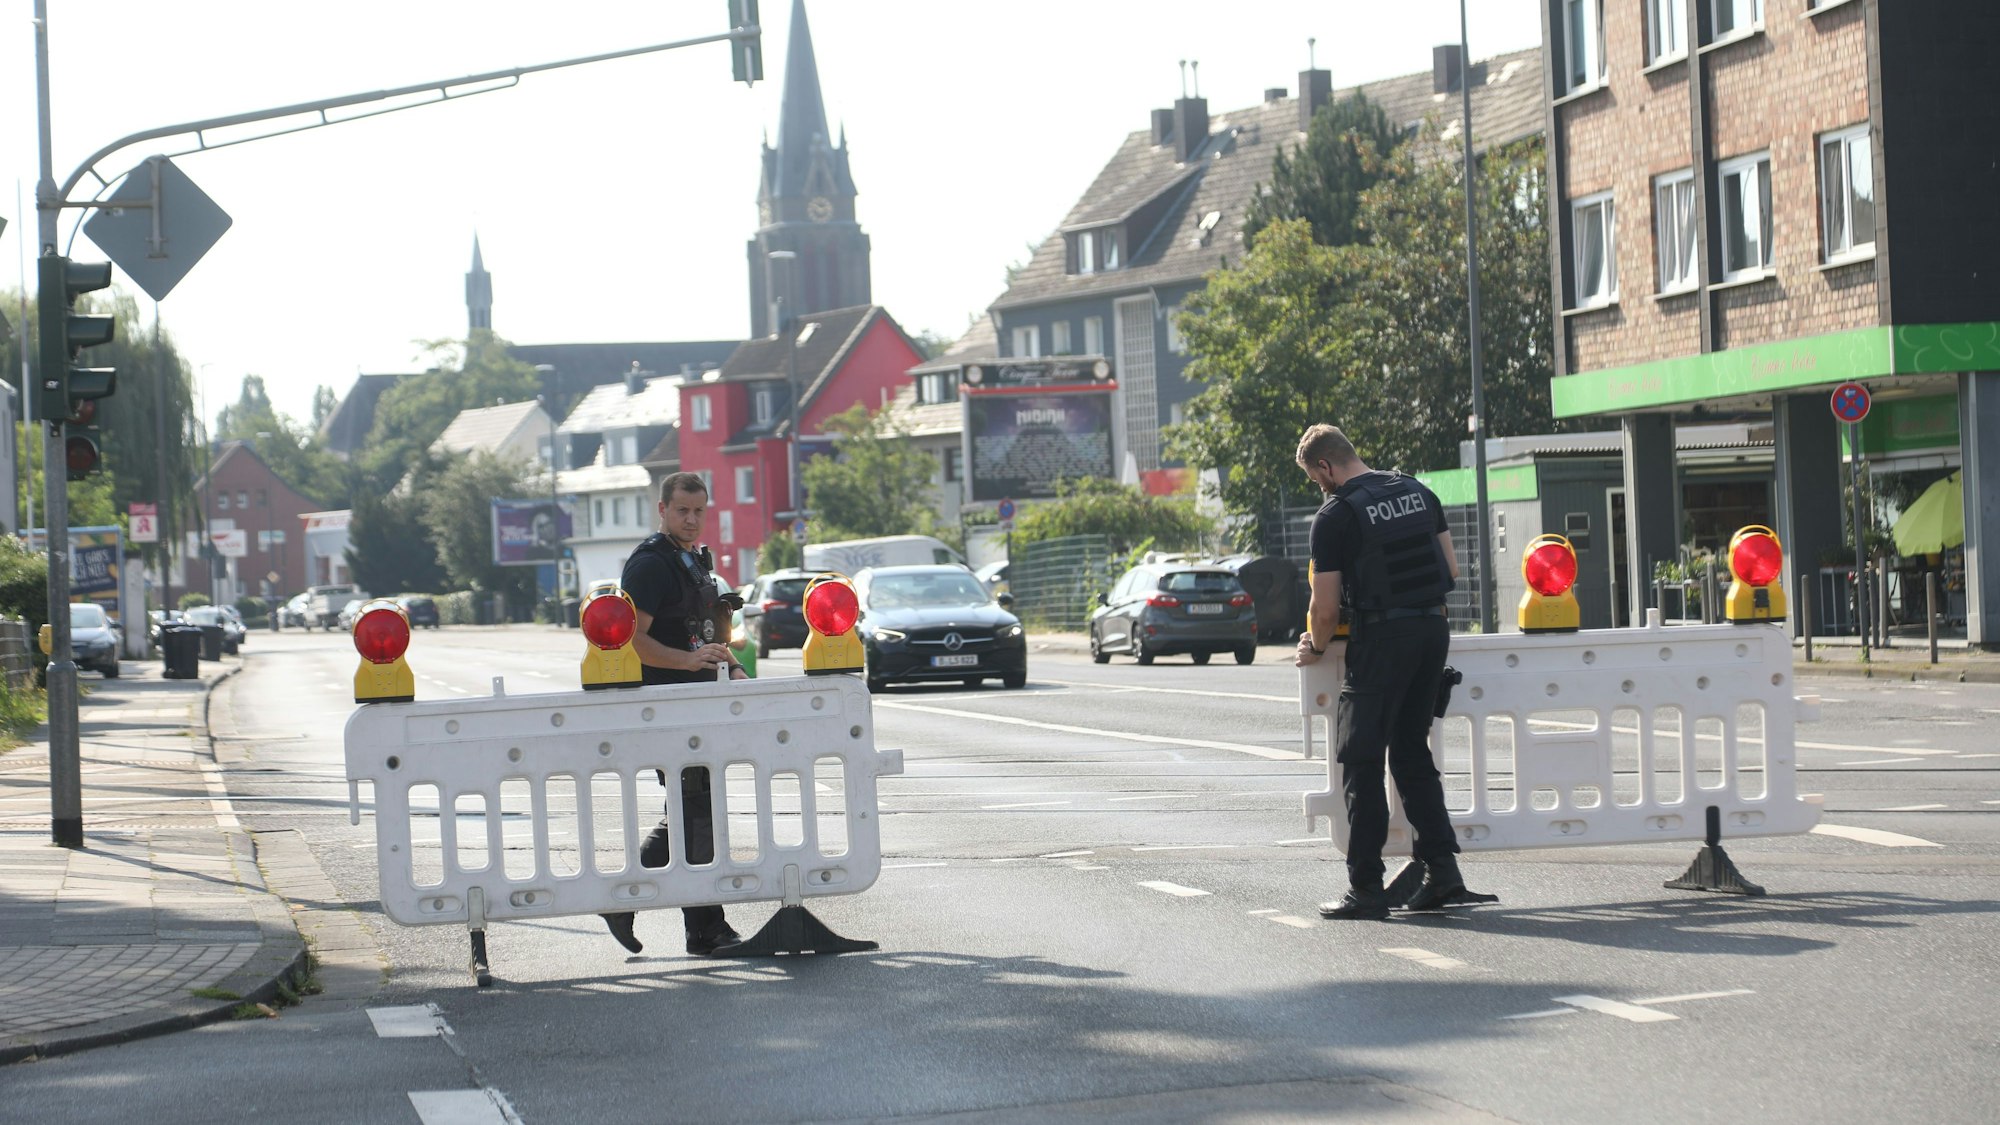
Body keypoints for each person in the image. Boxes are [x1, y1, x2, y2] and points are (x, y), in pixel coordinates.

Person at [1292, 424, 1465, 920]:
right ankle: (1443, 872)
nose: (1318, 486)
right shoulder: (1417, 490)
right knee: (1412, 752)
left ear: (1324, 466)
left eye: (1314, 478)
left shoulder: (1336, 514)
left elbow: (1324, 610)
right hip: (1432, 632)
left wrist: (1315, 647)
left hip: (1382, 640)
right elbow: (1449, 572)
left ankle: (1366, 888)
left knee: (1362, 760)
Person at [600, 472, 748, 956]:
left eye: (698, 510)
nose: (691, 519)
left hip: (697, 704)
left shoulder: (693, 563)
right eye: (681, 510)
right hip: (669, 705)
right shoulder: (650, 566)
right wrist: (688, 661)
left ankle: (703, 927)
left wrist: (729, 663)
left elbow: (702, 631)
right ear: (661, 510)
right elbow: (632, 640)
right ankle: (633, 903)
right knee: (692, 813)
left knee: (693, 813)